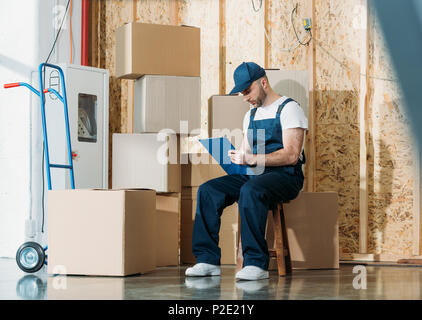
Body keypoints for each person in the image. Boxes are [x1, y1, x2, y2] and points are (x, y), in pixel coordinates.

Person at [185, 62, 308, 280]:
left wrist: (251, 158)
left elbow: (291, 154)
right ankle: (207, 259)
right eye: (242, 93)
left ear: (263, 83)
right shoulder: (250, 115)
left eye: (247, 91)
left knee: (251, 190)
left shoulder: (289, 108)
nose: (245, 97)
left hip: (286, 177)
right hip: (255, 173)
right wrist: (234, 156)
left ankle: (255, 264)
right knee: (208, 190)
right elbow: (247, 152)